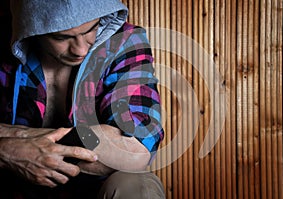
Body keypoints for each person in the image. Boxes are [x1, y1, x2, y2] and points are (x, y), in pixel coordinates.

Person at [0, 0, 165, 198]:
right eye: (62, 36)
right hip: (13, 184)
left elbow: (136, 147)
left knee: (135, 187)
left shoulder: (124, 40)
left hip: (95, 189)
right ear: (32, 29)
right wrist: (5, 152)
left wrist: (18, 142)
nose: (80, 49)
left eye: (91, 29)